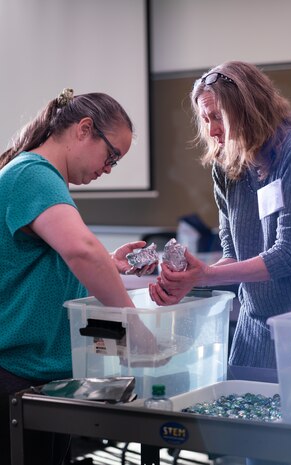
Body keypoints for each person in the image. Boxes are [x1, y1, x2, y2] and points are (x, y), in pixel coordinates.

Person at [0, 88, 156, 465]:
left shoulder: (38, 176)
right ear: (84, 129)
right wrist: (135, 329)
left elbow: (58, 258)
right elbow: (80, 251)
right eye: (112, 156)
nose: (108, 169)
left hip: (41, 378)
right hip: (17, 378)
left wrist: (108, 262)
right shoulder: (32, 175)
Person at [150, 60, 291, 373]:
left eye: (217, 117)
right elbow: (233, 254)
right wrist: (192, 280)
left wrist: (206, 276)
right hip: (253, 332)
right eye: (204, 119)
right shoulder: (225, 165)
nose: (211, 130)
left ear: (248, 108)